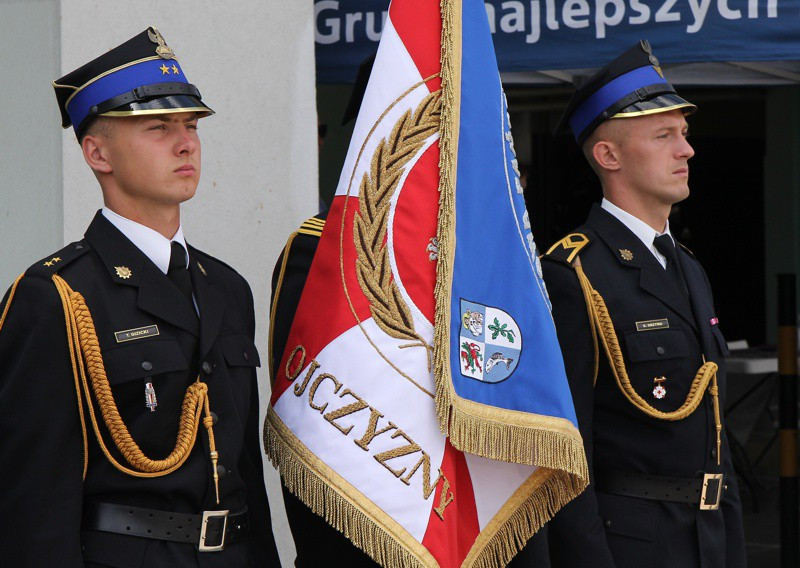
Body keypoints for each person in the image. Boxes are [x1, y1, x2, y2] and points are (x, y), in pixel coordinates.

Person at [0, 27, 280, 567]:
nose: (186, 143)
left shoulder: (226, 286)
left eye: (192, 125)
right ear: (97, 152)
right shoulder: (57, 296)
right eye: (158, 127)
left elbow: (243, 473)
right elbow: (31, 505)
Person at [539, 40, 746, 568]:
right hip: (632, 546)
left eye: (684, 134)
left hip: (711, 537)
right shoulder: (574, 275)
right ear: (609, 156)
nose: (687, 151)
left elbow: (715, 431)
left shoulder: (687, 265)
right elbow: (562, 455)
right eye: (664, 136)